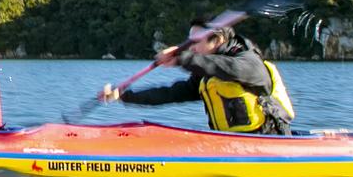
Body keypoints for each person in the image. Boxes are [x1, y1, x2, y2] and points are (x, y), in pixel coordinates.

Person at [100, 24, 295, 135]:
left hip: (269, 140)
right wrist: (124, 96)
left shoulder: (250, 64)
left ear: (217, 40)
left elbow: (225, 67)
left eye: (196, 42)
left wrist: (180, 59)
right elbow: (170, 94)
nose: (191, 47)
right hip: (231, 143)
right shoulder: (208, 76)